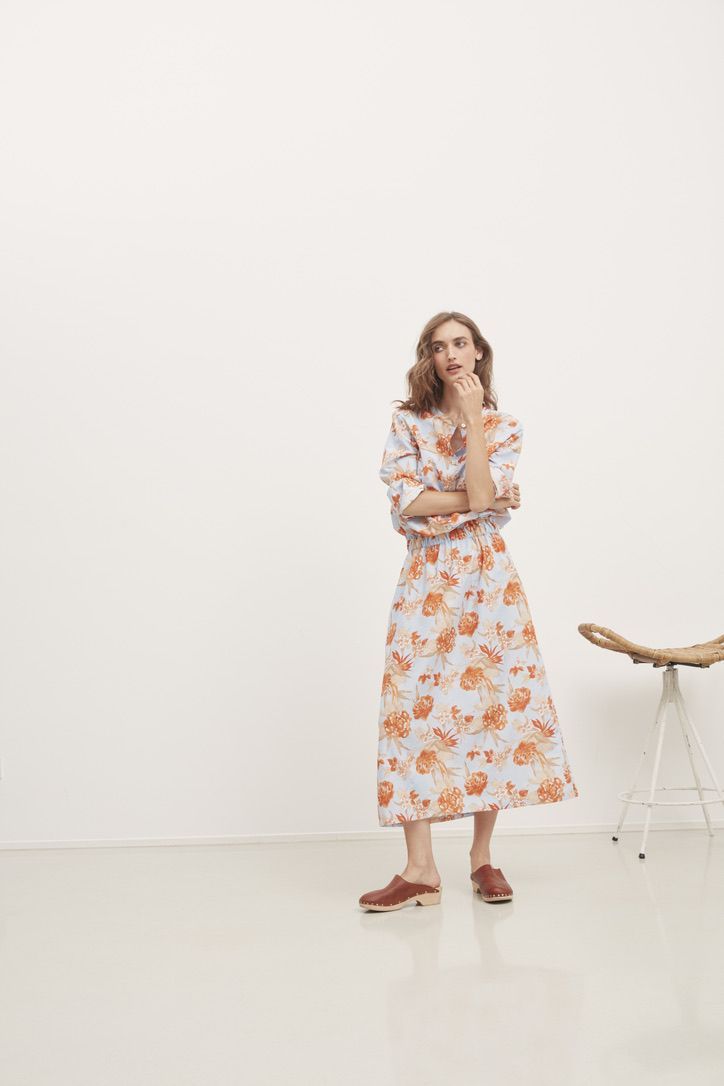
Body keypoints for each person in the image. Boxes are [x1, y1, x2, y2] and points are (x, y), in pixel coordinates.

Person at [359, 311, 579, 912]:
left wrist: (474, 429)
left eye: (460, 343)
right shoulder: (407, 423)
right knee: (410, 713)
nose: (451, 354)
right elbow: (411, 503)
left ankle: (482, 858)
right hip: (427, 577)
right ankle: (420, 869)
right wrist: (479, 500)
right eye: (439, 346)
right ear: (428, 358)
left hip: (487, 579)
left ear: (478, 352)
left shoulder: (503, 427)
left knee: (490, 707)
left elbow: (477, 496)